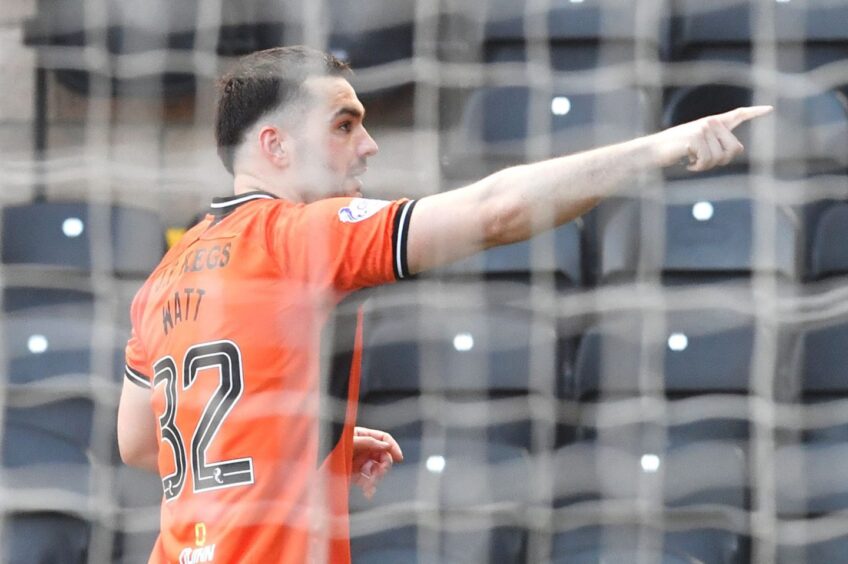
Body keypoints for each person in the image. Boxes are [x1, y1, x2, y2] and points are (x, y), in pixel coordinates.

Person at [116, 45, 771, 563]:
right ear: (274, 145)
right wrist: (659, 147)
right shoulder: (305, 234)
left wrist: (294, 444)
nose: (368, 146)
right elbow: (497, 210)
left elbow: (140, 444)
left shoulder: (163, 278)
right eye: (345, 125)